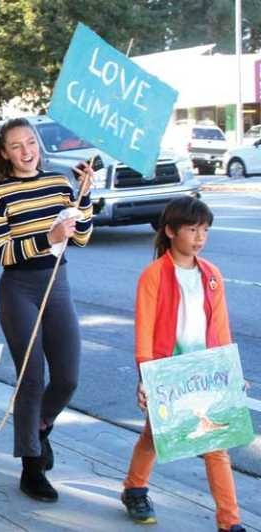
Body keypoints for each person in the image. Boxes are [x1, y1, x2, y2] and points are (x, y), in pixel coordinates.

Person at [0, 118, 93, 503]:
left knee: (68, 376)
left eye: (31, 143)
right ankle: (32, 467)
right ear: (4, 152)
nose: (27, 151)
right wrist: (48, 238)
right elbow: (1, 253)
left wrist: (85, 195)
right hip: (19, 289)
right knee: (31, 376)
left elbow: (83, 237)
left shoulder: (59, 183)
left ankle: (39, 427)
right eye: (16, 145)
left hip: (57, 284)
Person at [121, 197, 245, 532]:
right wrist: (145, 376)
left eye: (204, 229)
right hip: (166, 372)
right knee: (155, 436)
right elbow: (144, 329)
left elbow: (220, 327)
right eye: (192, 229)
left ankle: (229, 522)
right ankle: (134, 489)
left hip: (202, 374)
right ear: (171, 231)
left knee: (215, 445)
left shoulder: (211, 275)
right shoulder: (154, 276)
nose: (200, 237)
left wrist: (230, 374)